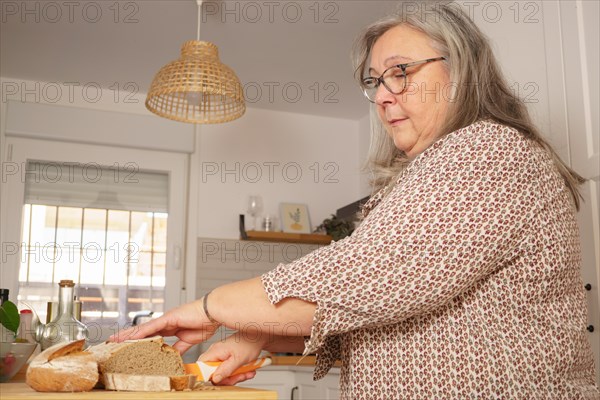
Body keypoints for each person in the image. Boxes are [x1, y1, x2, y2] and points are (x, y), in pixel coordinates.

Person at [111, 3, 599, 398]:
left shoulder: (487, 152)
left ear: (463, 70)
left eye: (400, 72)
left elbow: (368, 276)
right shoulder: (432, 172)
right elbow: (379, 309)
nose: (383, 95)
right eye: (374, 81)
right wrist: (254, 335)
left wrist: (209, 307)